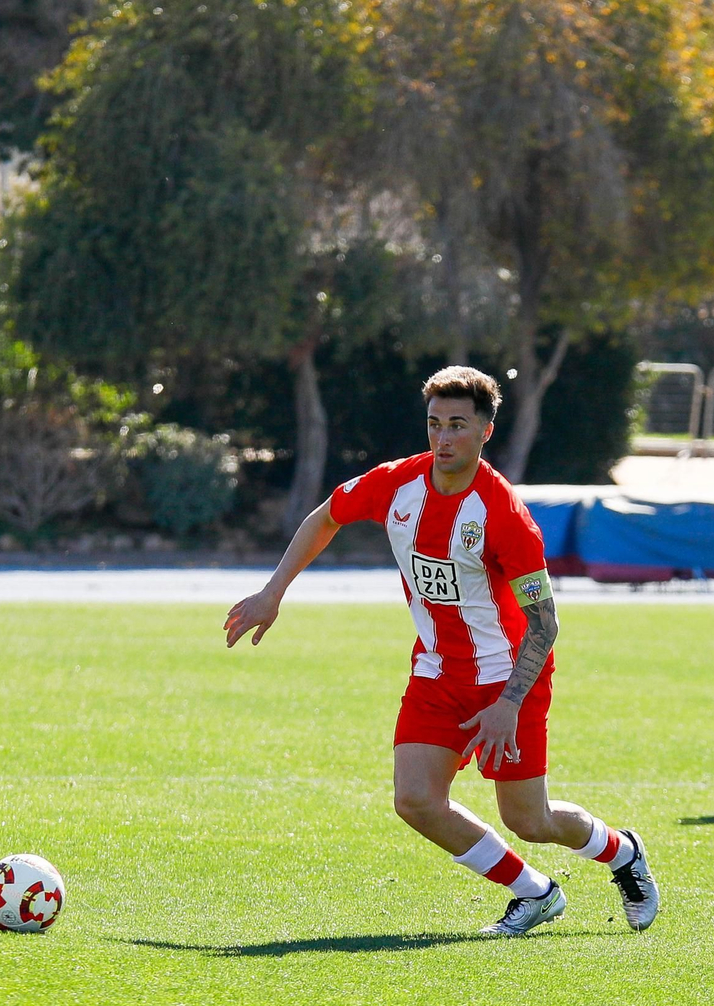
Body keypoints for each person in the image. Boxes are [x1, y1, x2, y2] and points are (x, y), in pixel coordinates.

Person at [223, 366, 659, 936]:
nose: (443, 438)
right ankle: (534, 892)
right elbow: (325, 516)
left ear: (485, 432)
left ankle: (622, 853)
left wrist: (508, 704)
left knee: (529, 818)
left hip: (509, 679)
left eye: (457, 425)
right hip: (436, 670)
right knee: (415, 800)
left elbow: (545, 625)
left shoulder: (505, 517)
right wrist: (271, 592)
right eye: (434, 424)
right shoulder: (397, 484)